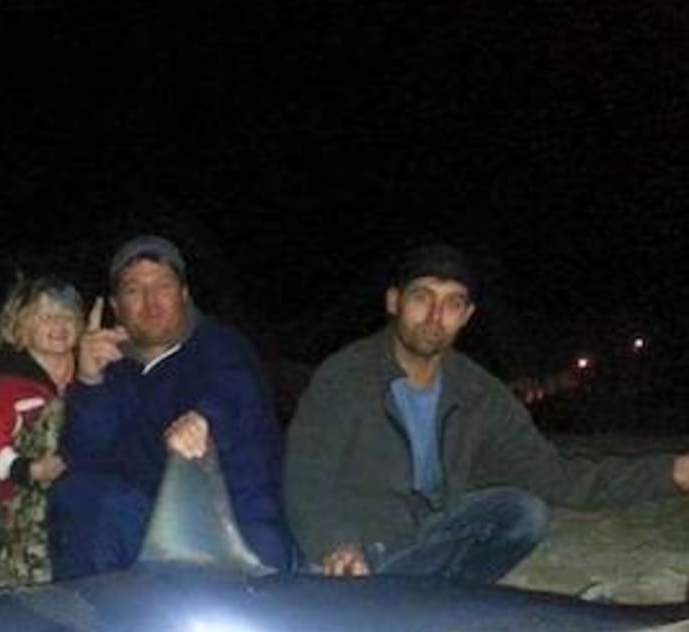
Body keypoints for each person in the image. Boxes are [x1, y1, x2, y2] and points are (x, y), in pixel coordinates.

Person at [283, 241, 689, 581]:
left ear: (468, 315)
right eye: (422, 297)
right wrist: (334, 542)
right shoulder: (344, 375)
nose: (435, 317)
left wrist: (670, 472)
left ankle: (420, 596)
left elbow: (557, 477)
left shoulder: (479, 391)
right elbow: (305, 475)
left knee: (524, 513)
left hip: (430, 537)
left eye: (453, 303)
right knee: (352, 571)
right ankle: (420, 597)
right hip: (363, 546)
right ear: (394, 301)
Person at [48, 234, 297, 579]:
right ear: (116, 308)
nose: (150, 302)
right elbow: (83, 459)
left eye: (163, 286)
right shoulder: (113, 368)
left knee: (264, 553)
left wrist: (204, 420)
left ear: (184, 295)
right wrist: (90, 382)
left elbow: (234, 391)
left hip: (233, 524)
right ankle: (89, 623)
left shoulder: (220, 345)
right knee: (81, 494)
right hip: (146, 529)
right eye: (134, 290)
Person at [0, 275, 81, 587]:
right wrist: (30, 469)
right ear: (20, 329)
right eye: (46, 317)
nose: (58, 324)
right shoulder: (7, 383)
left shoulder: (86, 374)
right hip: (20, 493)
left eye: (67, 317)